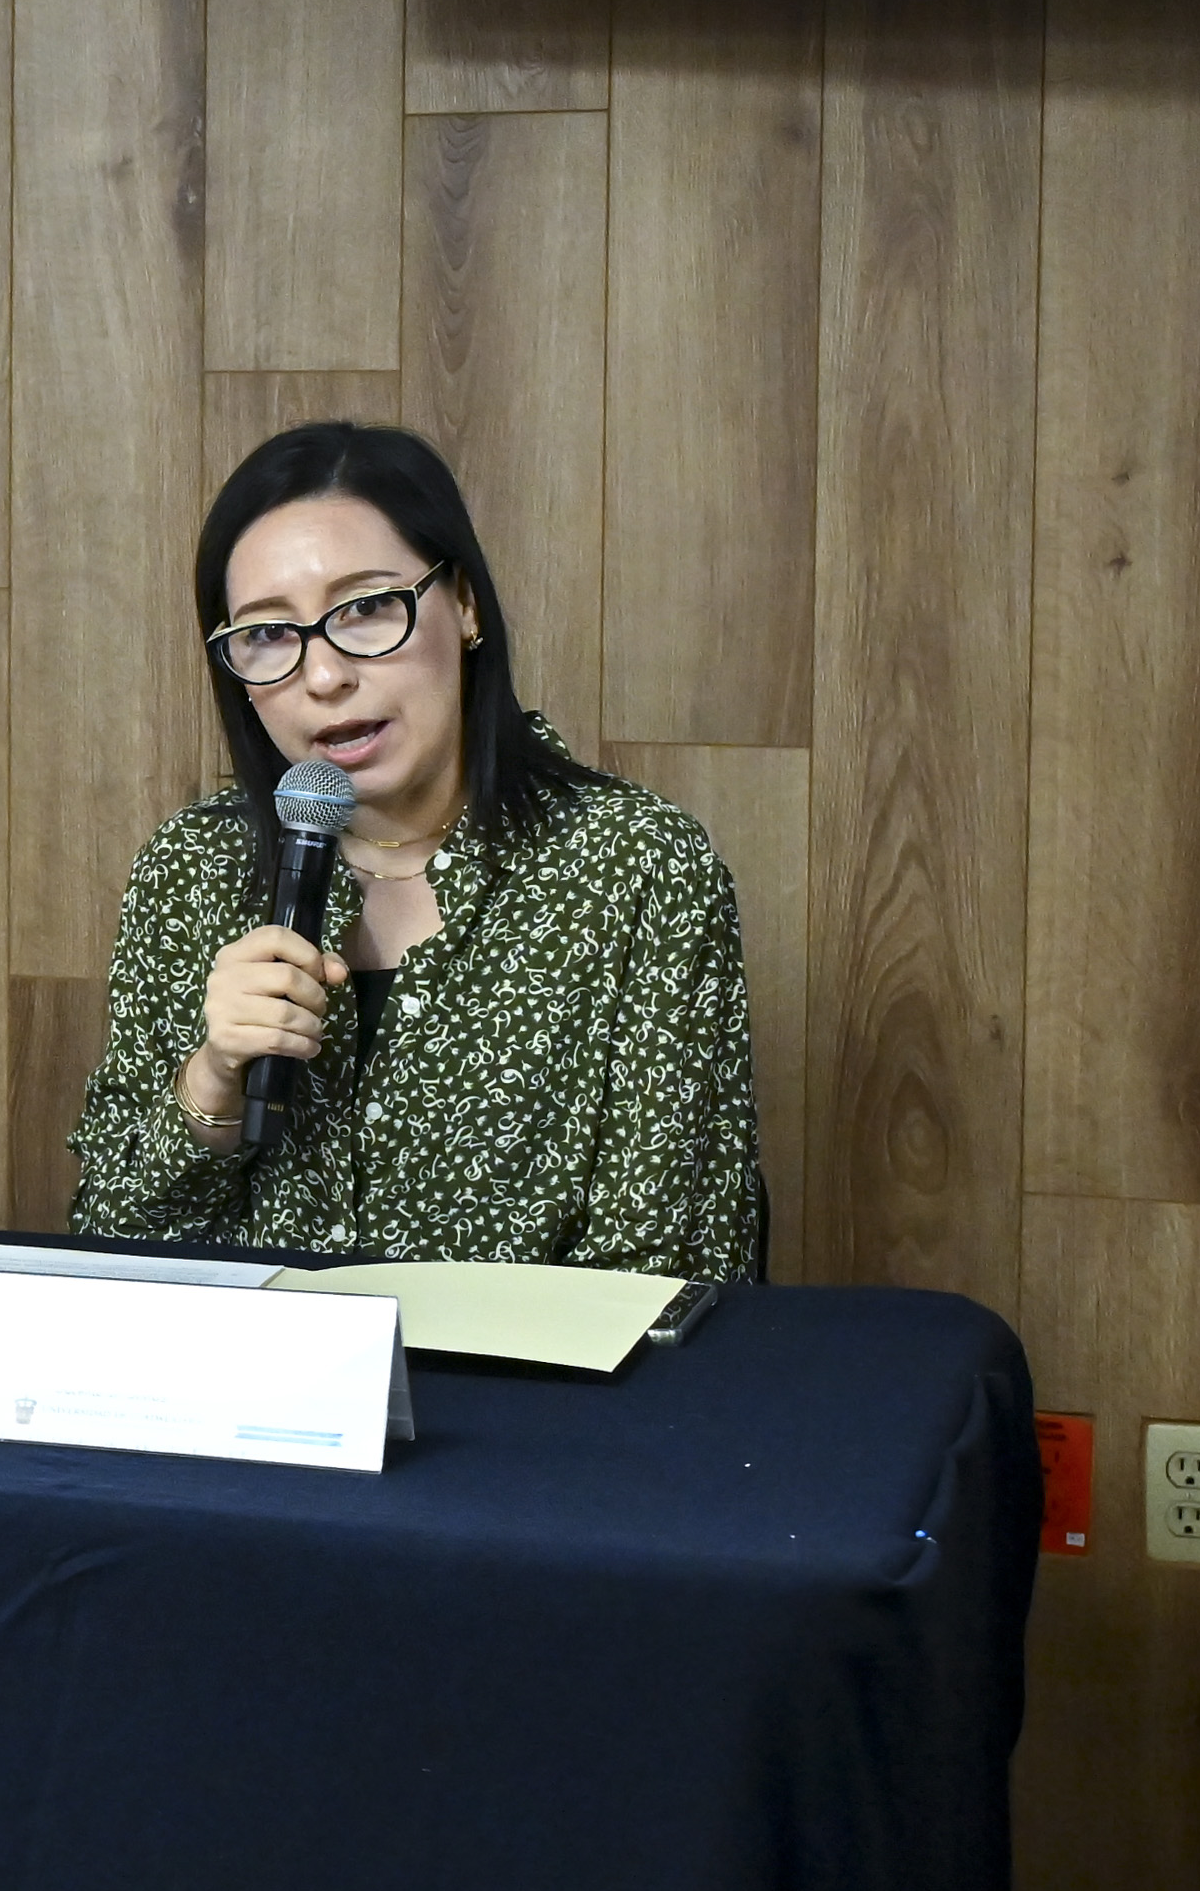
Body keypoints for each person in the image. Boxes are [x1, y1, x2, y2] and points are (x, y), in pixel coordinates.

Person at [67, 421, 760, 1283]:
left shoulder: (636, 867)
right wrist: (210, 1084)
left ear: (465, 605)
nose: (323, 676)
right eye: (269, 633)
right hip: (245, 1368)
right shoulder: (191, 868)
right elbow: (105, 1248)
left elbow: (673, 1272)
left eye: (365, 608)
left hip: (520, 1373)